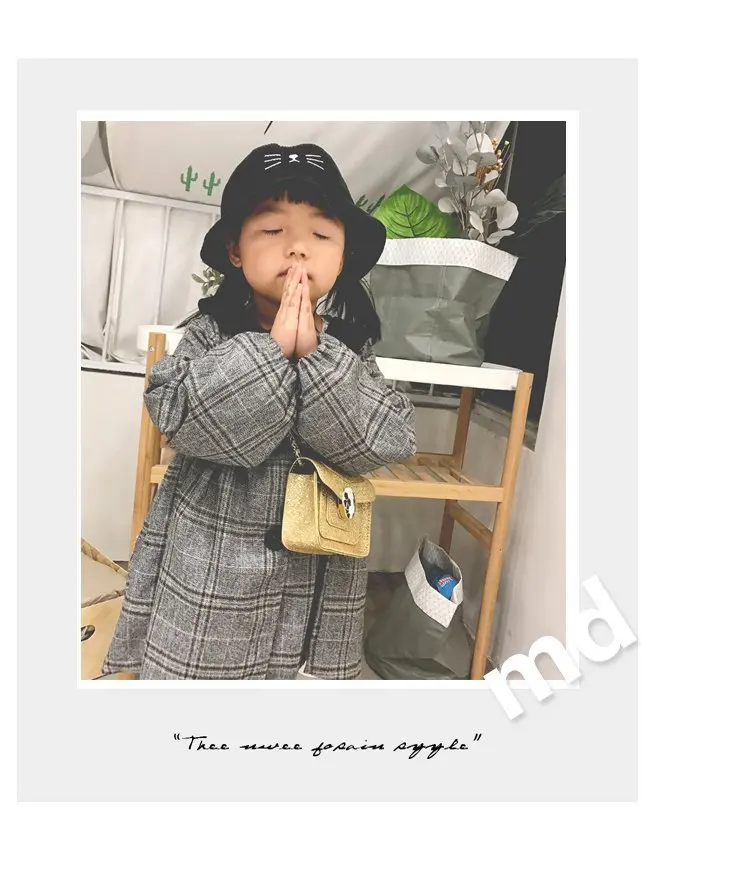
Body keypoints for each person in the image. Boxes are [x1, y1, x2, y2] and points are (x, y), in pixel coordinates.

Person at [102, 143, 417, 680]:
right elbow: (180, 415)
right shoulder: (210, 332)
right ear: (235, 249)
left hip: (321, 570)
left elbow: (385, 439)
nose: (298, 249)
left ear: (342, 257)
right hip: (213, 568)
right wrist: (271, 352)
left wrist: (316, 356)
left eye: (321, 235)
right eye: (273, 230)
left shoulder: (350, 347)